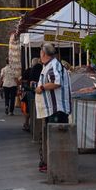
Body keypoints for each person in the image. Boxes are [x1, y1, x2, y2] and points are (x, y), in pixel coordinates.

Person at [35, 42, 72, 173]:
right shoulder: (50, 65)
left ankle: (58, 167)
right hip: (53, 109)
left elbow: (56, 82)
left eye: (40, 52)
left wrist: (41, 87)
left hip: (56, 109)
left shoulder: (53, 65)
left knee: (57, 139)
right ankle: (53, 164)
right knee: (54, 138)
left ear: (43, 53)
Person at [21, 57, 42, 131]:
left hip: (29, 91)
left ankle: (27, 124)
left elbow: (24, 81)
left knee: (28, 109)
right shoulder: (41, 68)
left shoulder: (28, 70)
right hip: (37, 91)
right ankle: (36, 127)